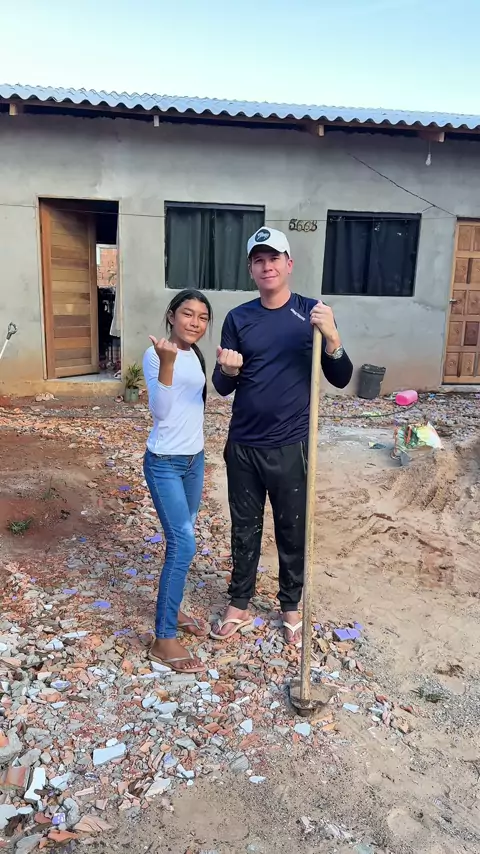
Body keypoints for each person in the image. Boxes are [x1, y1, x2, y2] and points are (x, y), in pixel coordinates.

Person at [210, 227, 353, 646]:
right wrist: (229, 369)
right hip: (243, 445)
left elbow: (341, 377)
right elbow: (221, 386)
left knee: (292, 528)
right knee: (244, 528)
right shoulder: (238, 318)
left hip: (292, 445)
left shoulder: (313, 314)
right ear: (251, 269)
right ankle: (240, 602)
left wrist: (333, 337)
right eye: (258, 260)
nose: (267, 266)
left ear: (289, 264)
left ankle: (291, 604)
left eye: (274, 258)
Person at [143, 289, 213, 673]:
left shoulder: (195, 354)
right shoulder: (156, 354)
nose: (195, 322)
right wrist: (167, 361)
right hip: (164, 463)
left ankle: (172, 608)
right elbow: (161, 410)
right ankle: (163, 639)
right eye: (188, 314)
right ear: (171, 315)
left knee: (180, 545)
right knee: (184, 544)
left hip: (193, 461)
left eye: (202, 317)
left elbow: (196, 405)